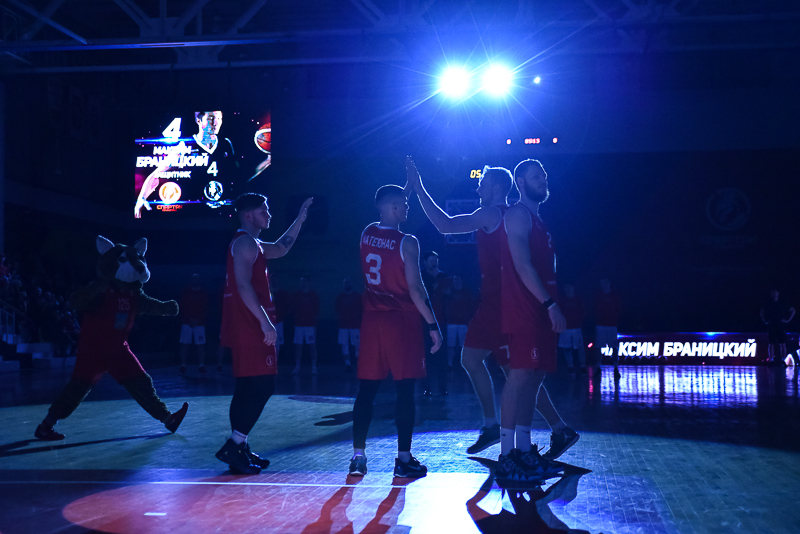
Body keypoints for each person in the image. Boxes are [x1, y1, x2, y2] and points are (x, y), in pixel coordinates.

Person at [409, 161, 577, 460]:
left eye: (482, 184)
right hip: (493, 303)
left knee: (519, 374)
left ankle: (521, 441)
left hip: (504, 305)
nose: (478, 188)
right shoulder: (519, 215)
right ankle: (510, 429)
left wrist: (419, 188)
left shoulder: (495, 213)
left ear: (498, 188)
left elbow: (445, 225)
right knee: (486, 363)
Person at [348, 181, 442, 479]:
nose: (408, 207)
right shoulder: (408, 242)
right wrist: (433, 324)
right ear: (393, 207)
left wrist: (407, 188)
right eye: (405, 204)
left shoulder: (366, 233)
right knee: (404, 392)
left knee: (366, 392)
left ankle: (358, 457)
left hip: (372, 321)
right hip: (401, 322)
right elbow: (415, 289)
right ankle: (403, 459)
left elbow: (387, 207)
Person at [216, 192, 313, 474]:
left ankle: (240, 447)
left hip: (246, 323)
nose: (268, 215)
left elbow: (281, 248)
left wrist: (299, 219)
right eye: (263, 210)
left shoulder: (252, 243)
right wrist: (265, 322)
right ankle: (234, 445)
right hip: (250, 324)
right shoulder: (245, 243)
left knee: (247, 386)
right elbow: (243, 285)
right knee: (263, 385)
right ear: (248, 215)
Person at [497, 158, 574, 482]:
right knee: (519, 377)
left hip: (540, 311)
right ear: (520, 181)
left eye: (544, 174)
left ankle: (525, 450)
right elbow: (522, 265)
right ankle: (506, 457)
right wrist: (550, 303)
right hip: (526, 310)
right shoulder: (518, 214)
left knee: (535, 378)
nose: (543, 179)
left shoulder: (539, 220)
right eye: (535, 175)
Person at [135, 111, 236, 218]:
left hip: (222, 211)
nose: (216, 123)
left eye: (219, 119)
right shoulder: (185, 146)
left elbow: (234, 176)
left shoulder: (226, 144)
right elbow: (157, 174)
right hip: (196, 212)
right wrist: (142, 198)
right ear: (199, 120)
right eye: (211, 119)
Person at [420, 250, 448, 396]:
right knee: (425, 354)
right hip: (425, 320)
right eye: (431, 261)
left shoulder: (443, 277)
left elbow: (448, 295)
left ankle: (443, 387)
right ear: (425, 262)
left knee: (442, 356)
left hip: (441, 320)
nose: (434, 263)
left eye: (435, 261)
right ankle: (426, 387)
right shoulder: (421, 276)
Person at [178, 274, 209, 375]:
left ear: (200, 280)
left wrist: (198, 319)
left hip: (200, 323)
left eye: (197, 279)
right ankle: (183, 365)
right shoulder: (186, 292)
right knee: (185, 343)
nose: (195, 280)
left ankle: (201, 365)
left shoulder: (203, 293)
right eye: (193, 279)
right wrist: (189, 319)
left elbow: (205, 308)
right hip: (187, 322)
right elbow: (182, 306)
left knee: (200, 344)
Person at [443, 274, 474, 369]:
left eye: (457, 279)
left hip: (463, 323)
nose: (455, 281)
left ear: (462, 280)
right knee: (450, 345)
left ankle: (462, 364)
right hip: (451, 322)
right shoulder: (449, 292)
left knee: (463, 346)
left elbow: (470, 307)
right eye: (454, 279)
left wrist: (469, 319)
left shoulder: (466, 292)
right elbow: (443, 304)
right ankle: (450, 364)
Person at [291, 276, 320, 374]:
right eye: (301, 281)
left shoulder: (313, 295)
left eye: (305, 281)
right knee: (298, 346)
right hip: (298, 324)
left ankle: (314, 367)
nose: (303, 283)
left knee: (312, 346)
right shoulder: (296, 295)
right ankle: (297, 367)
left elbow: (317, 310)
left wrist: (314, 322)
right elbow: (293, 308)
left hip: (310, 325)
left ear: (309, 282)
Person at [760, 289, 795, 366]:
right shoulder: (768, 303)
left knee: (782, 343)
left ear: (778, 293)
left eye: (775, 292)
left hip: (781, 325)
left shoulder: (783, 302)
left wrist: (788, 320)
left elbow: (792, 310)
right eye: (772, 292)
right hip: (771, 325)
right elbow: (762, 311)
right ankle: (771, 360)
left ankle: (783, 361)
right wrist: (765, 320)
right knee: (771, 343)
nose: (774, 293)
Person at [595, 278, 621, 379]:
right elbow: (595, 308)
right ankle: (598, 368)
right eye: (602, 282)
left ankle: (616, 368)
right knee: (598, 347)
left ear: (610, 283)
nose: (604, 284)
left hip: (612, 325)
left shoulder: (615, 295)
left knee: (614, 347)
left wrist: (613, 317)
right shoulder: (598, 295)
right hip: (600, 325)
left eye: (606, 282)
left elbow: (618, 308)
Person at [335, 277, 362, 372]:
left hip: (355, 325)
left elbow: (361, 309)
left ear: (352, 284)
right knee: (344, 345)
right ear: (343, 285)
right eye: (345, 283)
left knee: (357, 345)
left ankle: (359, 365)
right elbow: (337, 310)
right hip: (343, 326)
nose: (347, 284)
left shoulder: (357, 296)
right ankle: (348, 365)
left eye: (348, 282)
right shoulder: (340, 297)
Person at [558, 283, 586, 373]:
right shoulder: (562, 300)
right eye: (566, 287)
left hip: (576, 327)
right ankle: (570, 366)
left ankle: (582, 366)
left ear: (573, 288)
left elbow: (583, 312)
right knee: (566, 348)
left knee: (580, 347)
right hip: (565, 328)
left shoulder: (578, 299)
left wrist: (580, 321)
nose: (568, 289)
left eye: (569, 287)